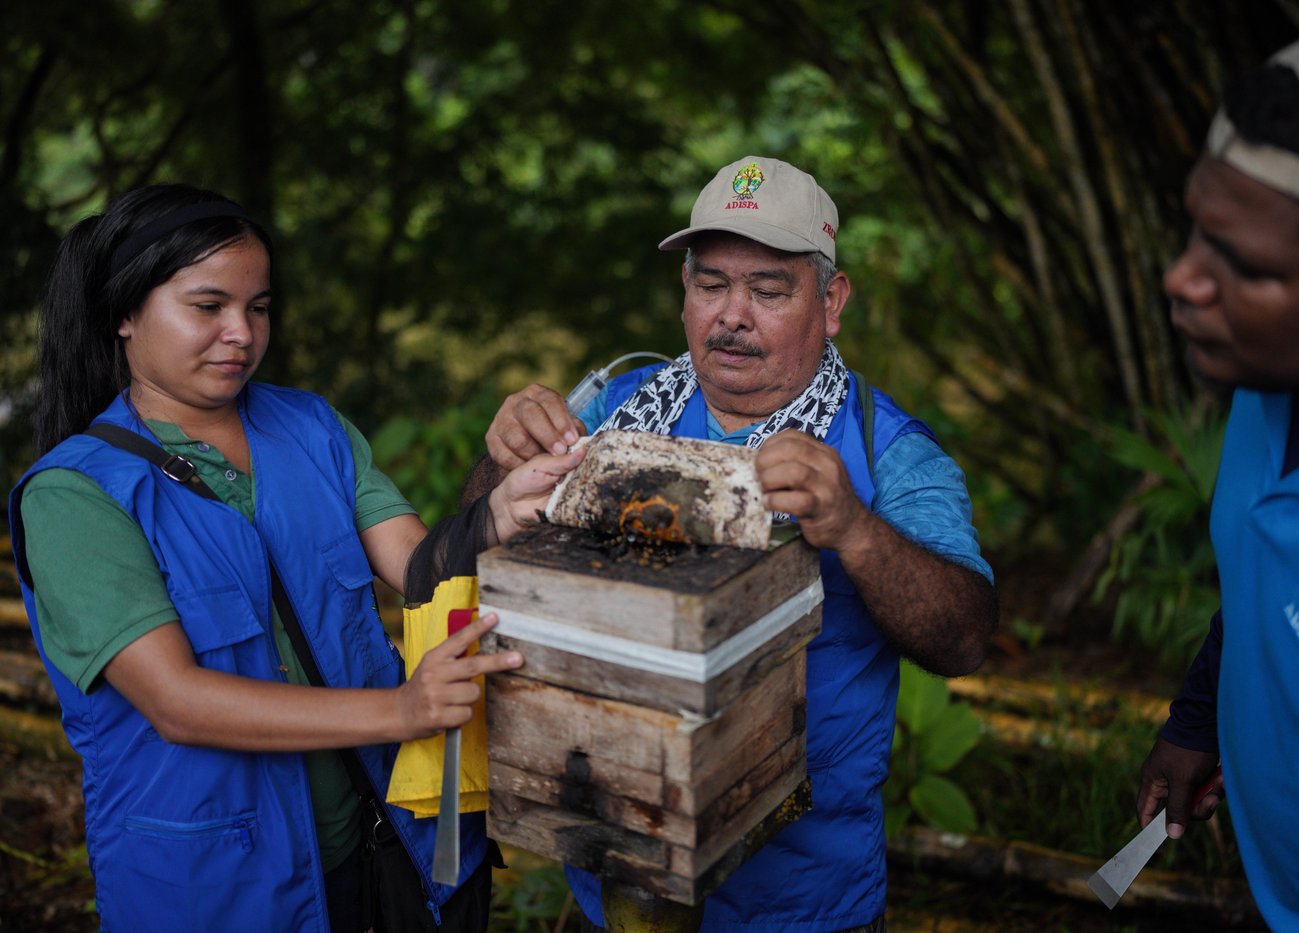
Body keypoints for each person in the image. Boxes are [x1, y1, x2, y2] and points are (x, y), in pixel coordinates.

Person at [7, 183, 584, 932]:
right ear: (124, 313)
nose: (241, 334)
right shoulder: (75, 495)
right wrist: (403, 709)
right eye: (207, 307)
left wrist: (497, 512)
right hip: (222, 887)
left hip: (384, 847)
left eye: (259, 306)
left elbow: (416, 567)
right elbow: (176, 700)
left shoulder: (309, 426)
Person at [476, 155, 998, 931]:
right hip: (611, 879)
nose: (731, 315)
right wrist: (500, 460)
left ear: (832, 301)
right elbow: (477, 545)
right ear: (684, 293)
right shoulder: (620, 410)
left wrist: (853, 526)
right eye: (711, 283)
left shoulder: (884, 451)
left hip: (804, 905)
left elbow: (966, 637)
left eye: (768, 289)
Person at [1134, 8, 1299, 928]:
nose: (1182, 278)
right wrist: (1200, 721)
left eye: (1244, 264)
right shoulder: (1269, 388)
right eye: (1196, 233)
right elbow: (1264, 575)